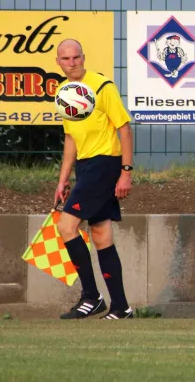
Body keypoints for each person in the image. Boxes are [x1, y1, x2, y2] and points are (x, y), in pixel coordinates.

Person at [54, 38, 134, 320]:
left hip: (106, 163)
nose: (72, 63)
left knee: (66, 225)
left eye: (76, 57)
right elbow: (71, 138)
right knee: (101, 237)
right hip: (86, 167)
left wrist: (126, 171)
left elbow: (124, 128)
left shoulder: (102, 86)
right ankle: (122, 307)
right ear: (58, 62)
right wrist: (63, 179)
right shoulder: (64, 91)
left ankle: (91, 297)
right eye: (66, 59)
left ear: (83, 57)